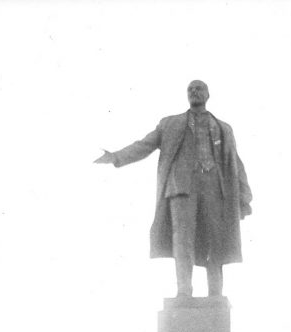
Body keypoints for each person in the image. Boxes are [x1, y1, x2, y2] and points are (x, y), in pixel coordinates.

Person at [94, 79, 252, 298]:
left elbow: (235, 162)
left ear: (208, 95)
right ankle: (184, 291)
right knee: (183, 239)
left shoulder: (223, 128)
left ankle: (215, 293)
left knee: (215, 240)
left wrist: (244, 195)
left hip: (214, 189)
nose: (194, 92)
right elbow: (144, 145)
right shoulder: (170, 124)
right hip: (181, 189)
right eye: (190, 89)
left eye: (199, 89)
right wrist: (115, 157)